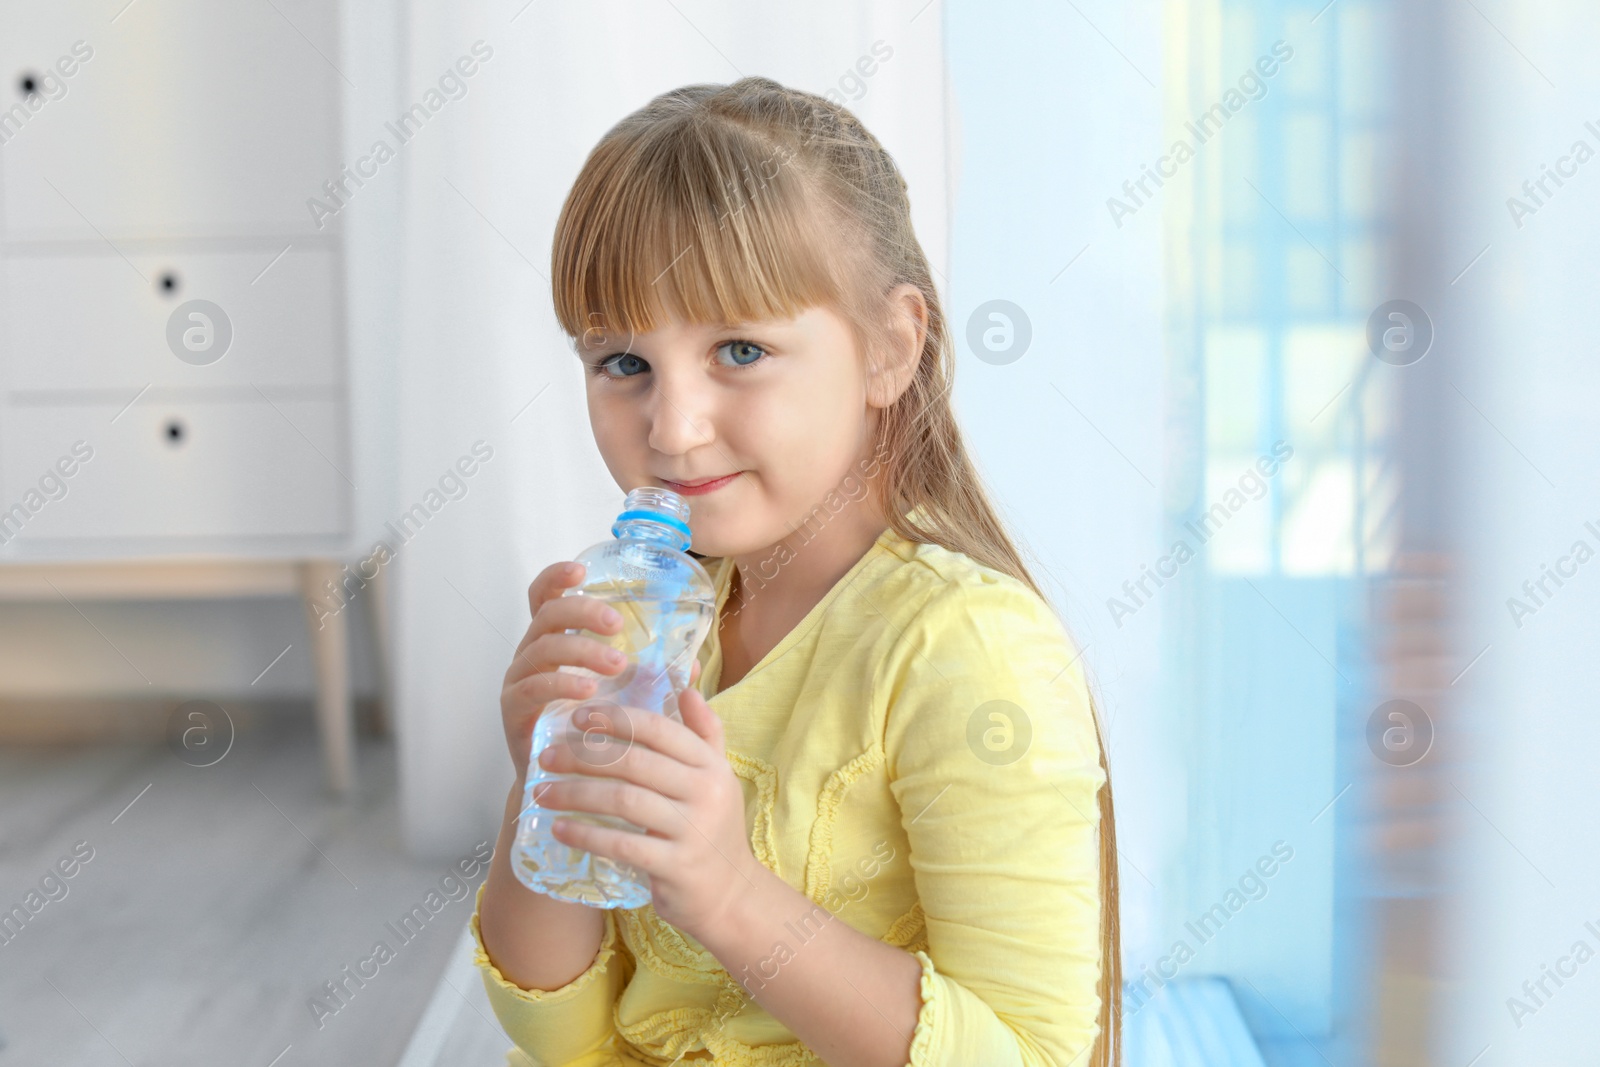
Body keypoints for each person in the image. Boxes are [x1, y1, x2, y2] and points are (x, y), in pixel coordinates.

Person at [472, 76, 1120, 1067]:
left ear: (890, 348)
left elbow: (1030, 1055)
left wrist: (729, 894)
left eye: (739, 348)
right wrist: (540, 790)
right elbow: (558, 1029)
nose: (671, 428)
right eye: (621, 362)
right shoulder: (648, 629)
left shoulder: (967, 650)